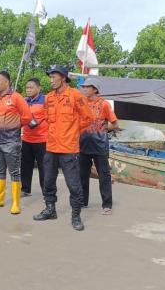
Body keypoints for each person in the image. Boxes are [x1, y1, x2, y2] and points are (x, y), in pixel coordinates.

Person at [32, 65, 94, 231]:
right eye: (50, 77)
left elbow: (88, 118)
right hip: (51, 146)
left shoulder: (75, 95)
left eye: (54, 77)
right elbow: (46, 116)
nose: (51, 80)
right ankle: (50, 209)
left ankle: (76, 216)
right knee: (48, 181)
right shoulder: (49, 98)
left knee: (73, 184)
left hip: (68, 148)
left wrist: (73, 132)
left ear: (64, 77)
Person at [0, 71, 32, 215]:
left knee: (14, 172)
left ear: (6, 82)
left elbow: (27, 117)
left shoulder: (16, 97)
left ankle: (16, 203)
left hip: (11, 141)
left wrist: (14, 125)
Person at [79, 77, 119, 214]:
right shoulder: (81, 103)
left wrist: (100, 126)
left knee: (104, 175)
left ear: (95, 89)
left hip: (100, 145)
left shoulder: (104, 104)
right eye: (83, 87)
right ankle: (83, 202)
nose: (83, 89)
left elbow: (115, 124)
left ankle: (107, 205)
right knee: (82, 175)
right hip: (83, 144)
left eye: (86, 87)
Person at [21, 78, 48, 197]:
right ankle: (25, 189)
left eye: (31, 87)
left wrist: (39, 120)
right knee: (25, 166)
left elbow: (51, 116)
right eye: (27, 87)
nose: (28, 90)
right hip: (27, 138)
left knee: (44, 167)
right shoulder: (24, 101)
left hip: (42, 139)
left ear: (39, 88)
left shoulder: (45, 100)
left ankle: (46, 192)